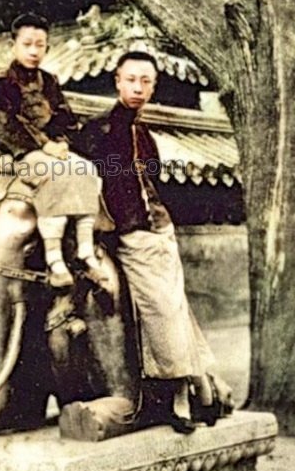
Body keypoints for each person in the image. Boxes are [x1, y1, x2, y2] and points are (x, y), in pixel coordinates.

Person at [78, 51, 220, 434]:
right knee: (161, 311)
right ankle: (182, 395)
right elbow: (86, 182)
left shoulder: (145, 135)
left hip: (161, 231)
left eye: (146, 82)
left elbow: (153, 183)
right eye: (132, 80)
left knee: (175, 307)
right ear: (117, 82)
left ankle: (200, 387)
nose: (138, 88)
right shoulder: (98, 132)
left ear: (154, 87)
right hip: (130, 233)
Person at [0, 12, 105, 288]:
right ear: (12, 45)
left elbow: (64, 117)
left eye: (40, 45)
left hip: (51, 148)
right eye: (27, 44)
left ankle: (86, 250)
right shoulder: (3, 81)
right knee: (53, 172)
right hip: (17, 150)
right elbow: (5, 123)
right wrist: (45, 145)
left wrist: (63, 142)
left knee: (86, 169)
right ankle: (54, 259)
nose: (33, 51)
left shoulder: (50, 81)